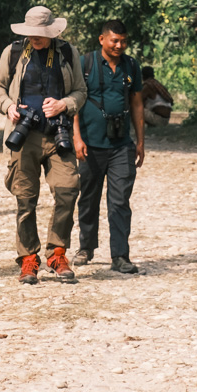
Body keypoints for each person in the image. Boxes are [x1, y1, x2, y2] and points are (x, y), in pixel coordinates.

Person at [0, 4, 88, 285]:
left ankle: (57, 253)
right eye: (31, 33)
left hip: (58, 135)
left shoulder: (68, 53)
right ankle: (28, 258)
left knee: (68, 189)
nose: (36, 38)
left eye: (40, 33)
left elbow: (81, 91)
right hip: (25, 135)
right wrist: (8, 107)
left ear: (52, 32)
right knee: (25, 198)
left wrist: (64, 104)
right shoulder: (15, 52)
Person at [73, 19, 144, 274]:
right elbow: (75, 102)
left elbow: (136, 104)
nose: (119, 45)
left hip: (122, 145)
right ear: (102, 39)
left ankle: (120, 255)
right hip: (90, 145)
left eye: (123, 41)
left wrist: (140, 142)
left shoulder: (131, 65)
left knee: (120, 201)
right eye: (114, 40)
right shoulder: (85, 63)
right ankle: (86, 247)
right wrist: (77, 138)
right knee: (88, 198)